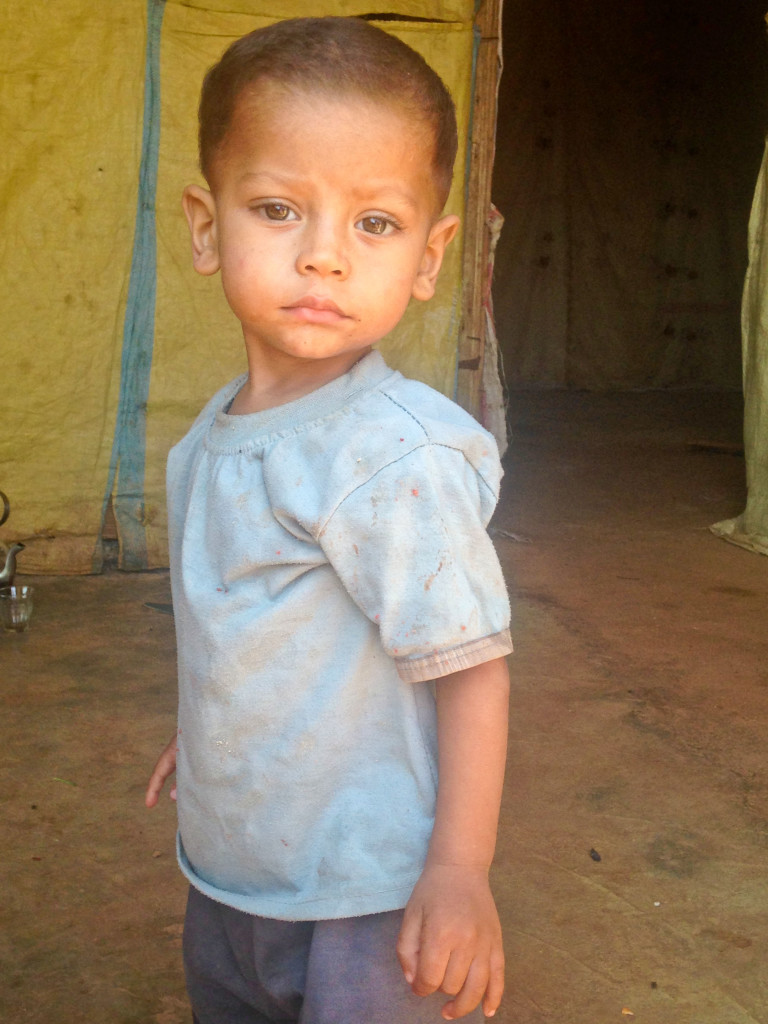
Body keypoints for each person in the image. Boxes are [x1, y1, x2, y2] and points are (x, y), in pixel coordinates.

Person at [145, 16, 512, 1024]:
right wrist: (214, 732)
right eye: (277, 208)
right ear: (207, 226)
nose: (324, 259)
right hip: (234, 866)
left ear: (431, 254)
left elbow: (473, 667)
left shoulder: (395, 458)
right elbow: (246, 631)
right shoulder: (210, 440)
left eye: (374, 224)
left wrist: (459, 869)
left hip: (365, 893)